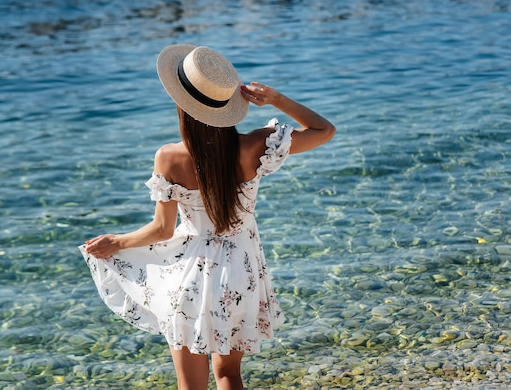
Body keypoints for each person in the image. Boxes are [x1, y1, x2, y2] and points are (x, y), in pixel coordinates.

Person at [80, 44, 335, 390]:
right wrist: (276, 98)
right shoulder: (257, 146)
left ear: (182, 104)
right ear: (226, 106)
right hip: (242, 272)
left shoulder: (169, 158)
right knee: (229, 374)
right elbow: (324, 130)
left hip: (194, 276)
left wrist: (117, 242)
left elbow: (161, 229)